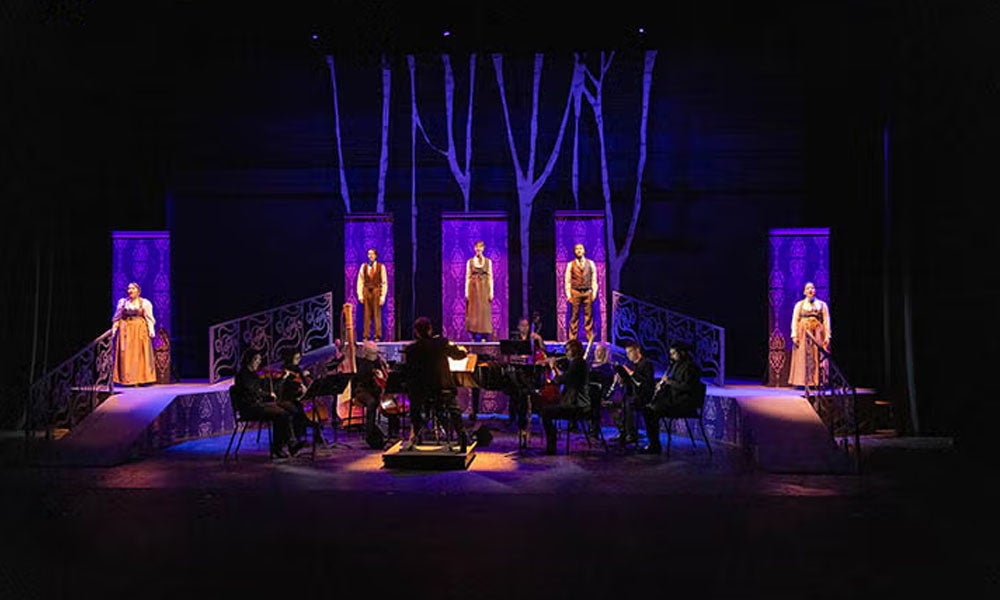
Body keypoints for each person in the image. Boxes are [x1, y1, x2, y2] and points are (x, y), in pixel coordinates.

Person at [401, 317, 470, 452]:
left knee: (414, 403)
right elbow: (460, 355)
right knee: (453, 407)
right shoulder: (442, 343)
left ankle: (416, 433)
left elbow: (409, 372)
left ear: (416, 332)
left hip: (422, 391)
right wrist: (462, 349)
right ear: (430, 329)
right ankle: (461, 434)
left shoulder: (411, 349)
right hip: (442, 388)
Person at [233, 349, 304, 458]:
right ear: (249, 360)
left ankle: (290, 443)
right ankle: (281, 447)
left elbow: (268, 386)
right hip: (250, 408)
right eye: (256, 360)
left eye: (259, 360)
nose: (258, 362)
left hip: (259, 405)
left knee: (291, 408)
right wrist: (267, 395)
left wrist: (282, 378)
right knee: (281, 414)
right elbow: (252, 392)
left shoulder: (254, 375)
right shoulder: (243, 376)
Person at [640, 342, 704, 455]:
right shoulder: (676, 365)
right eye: (671, 354)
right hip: (674, 400)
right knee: (648, 410)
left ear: (682, 353)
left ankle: (655, 446)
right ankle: (654, 443)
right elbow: (673, 382)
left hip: (684, 403)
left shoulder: (691, 368)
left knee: (652, 411)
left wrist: (669, 382)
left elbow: (687, 387)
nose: (672, 356)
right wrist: (661, 384)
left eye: (674, 353)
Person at [539, 338, 591, 455]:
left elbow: (560, 380)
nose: (566, 353)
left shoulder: (578, 364)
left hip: (576, 405)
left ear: (574, 351)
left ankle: (551, 447)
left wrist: (553, 367)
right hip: (574, 402)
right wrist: (556, 368)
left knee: (545, 412)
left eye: (567, 350)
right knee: (547, 408)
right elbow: (565, 377)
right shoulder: (578, 363)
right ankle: (551, 445)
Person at [353, 340, 400, 448]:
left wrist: (385, 368)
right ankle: (370, 433)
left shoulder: (379, 361)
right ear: (367, 352)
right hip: (363, 391)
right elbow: (362, 379)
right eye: (373, 353)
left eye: (376, 353)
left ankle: (393, 433)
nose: (376, 355)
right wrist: (373, 374)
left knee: (391, 403)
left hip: (378, 391)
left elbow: (384, 377)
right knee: (372, 402)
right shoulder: (362, 363)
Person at [111, 282, 157, 386]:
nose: (130, 291)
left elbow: (149, 317)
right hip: (126, 330)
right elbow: (117, 317)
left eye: (133, 288)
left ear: (138, 291)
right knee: (126, 355)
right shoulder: (123, 302)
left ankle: (141, 379)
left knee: (139, 354)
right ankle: (128, 379)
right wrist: (114, 329)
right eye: (128, 289)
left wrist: (151, 329)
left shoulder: (144, 303)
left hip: (139, 329)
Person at [276, 349, 325, 445]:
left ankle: (314, 432)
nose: (298, 360)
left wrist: (305, 376)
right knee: (297, 409)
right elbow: (284, 387)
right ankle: (298, 438)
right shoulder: (285, 370)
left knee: (306, 408)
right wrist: (298, 387)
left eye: (299, 358)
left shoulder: (297, 369)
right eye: (296, 358)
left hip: (299, 397)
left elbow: (303, 383)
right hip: (289, 397)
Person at [788, 281, 832, 387]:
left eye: (812, 288)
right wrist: (794, 335)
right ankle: (803, 382)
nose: (811, 290)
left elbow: (826, 320)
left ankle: (818, 381)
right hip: (803, 333)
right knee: (803, 355)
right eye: (808, 288)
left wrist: (827, 335)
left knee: (818, 355)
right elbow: (795, 320)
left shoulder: (822, 305)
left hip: (817, 332)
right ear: (804, 292)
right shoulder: (799, 305)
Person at [613, 341, 655, 446]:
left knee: (629, 403)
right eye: (627, 353)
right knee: (614, 403)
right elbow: (631, 382)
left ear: (637, 350)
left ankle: (631, 434)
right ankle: (623, 431)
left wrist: (630, 372)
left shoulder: (646, 364)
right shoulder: (632, 364)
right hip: (634, 394)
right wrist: (622, 379)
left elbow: (643, 383)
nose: (628, 355)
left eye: (630, 352)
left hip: (644, 395)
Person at [563, 243, 598, 342]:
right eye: (577, 249)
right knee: (574, 315)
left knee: (589, 315)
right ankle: (573, 339)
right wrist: (568, 294)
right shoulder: (570, 264)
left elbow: (594, 279)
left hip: (587, 291)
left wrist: (594, 292)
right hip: (576, 292)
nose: (579, 250)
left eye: (580, 249)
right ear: (574, 251)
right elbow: (567, 281)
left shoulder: (591, 263)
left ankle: (589, 337)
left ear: (584, 251)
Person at [464, 240, 494, 342]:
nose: (478, 249)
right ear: (474, 248)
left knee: (484, 311)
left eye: (480, 247)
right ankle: (474, 334)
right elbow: (467, 277)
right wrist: (466, 292)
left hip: (484, 288)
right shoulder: (470, 262)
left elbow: (490, 277)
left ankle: (484, 335)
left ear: (483, 248)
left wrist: (491, 292)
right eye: (476, 247)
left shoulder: (488, 261)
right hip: (473, 289)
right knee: (474, 312)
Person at [356, 248, 387, 341]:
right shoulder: (364, 266)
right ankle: (366, 335)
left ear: (376, 256)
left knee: (377, 314)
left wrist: (383, 296)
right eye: (369, 254)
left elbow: (384, 282)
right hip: (366, 291)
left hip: (376, 290)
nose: (370, 256)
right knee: (366, 314)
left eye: (372, 254)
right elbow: (360, 281)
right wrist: (360, 295)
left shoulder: (381, 267)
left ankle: (377, 335)